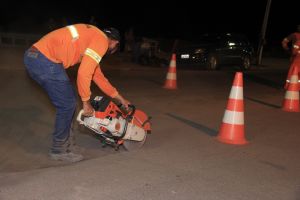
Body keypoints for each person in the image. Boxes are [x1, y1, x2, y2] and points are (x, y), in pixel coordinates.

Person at [24, 24, 130, 162]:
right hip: (45, 60)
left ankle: (68, 145)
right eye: (115, 47)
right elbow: (84, 73)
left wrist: (120, 98)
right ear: (115, 42)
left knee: (69, 100)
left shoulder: (92, 37)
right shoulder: (102, 41)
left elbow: (97, 76)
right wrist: (85, 102)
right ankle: (59, 150)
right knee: (67, 104)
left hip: (35, 56)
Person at [281, 25, 300, 89]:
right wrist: (288, 50)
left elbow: (284, 42)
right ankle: (290, 85)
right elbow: (284, 42)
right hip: (295, 56)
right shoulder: (294, 35)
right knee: (293, 71)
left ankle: (290, 85)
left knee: (293, 71)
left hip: (295, 56)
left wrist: (287, 49)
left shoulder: (294, 35)